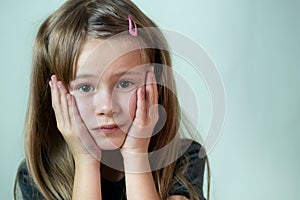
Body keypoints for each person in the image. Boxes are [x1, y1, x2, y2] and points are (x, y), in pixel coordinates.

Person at [14, 0, 209, 199]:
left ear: (155, 85)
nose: (107, 107)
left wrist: (136, 156)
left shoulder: (183, 160)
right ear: (55, 96)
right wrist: (86, 161)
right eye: (85, 87)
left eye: (124, 84)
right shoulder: (38, 177)